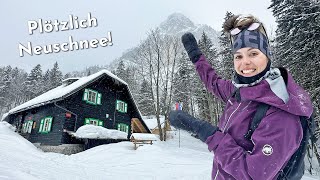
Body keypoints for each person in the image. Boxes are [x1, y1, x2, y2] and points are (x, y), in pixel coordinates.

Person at [169, 14, 313, 180]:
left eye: (253, 54)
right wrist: (196, 58)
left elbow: (254, 175)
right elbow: (213, 83)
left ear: (267, 55)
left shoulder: (281, 111)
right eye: (239, 56)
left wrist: (206, 132)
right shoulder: (241, 92)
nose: (245, 62)